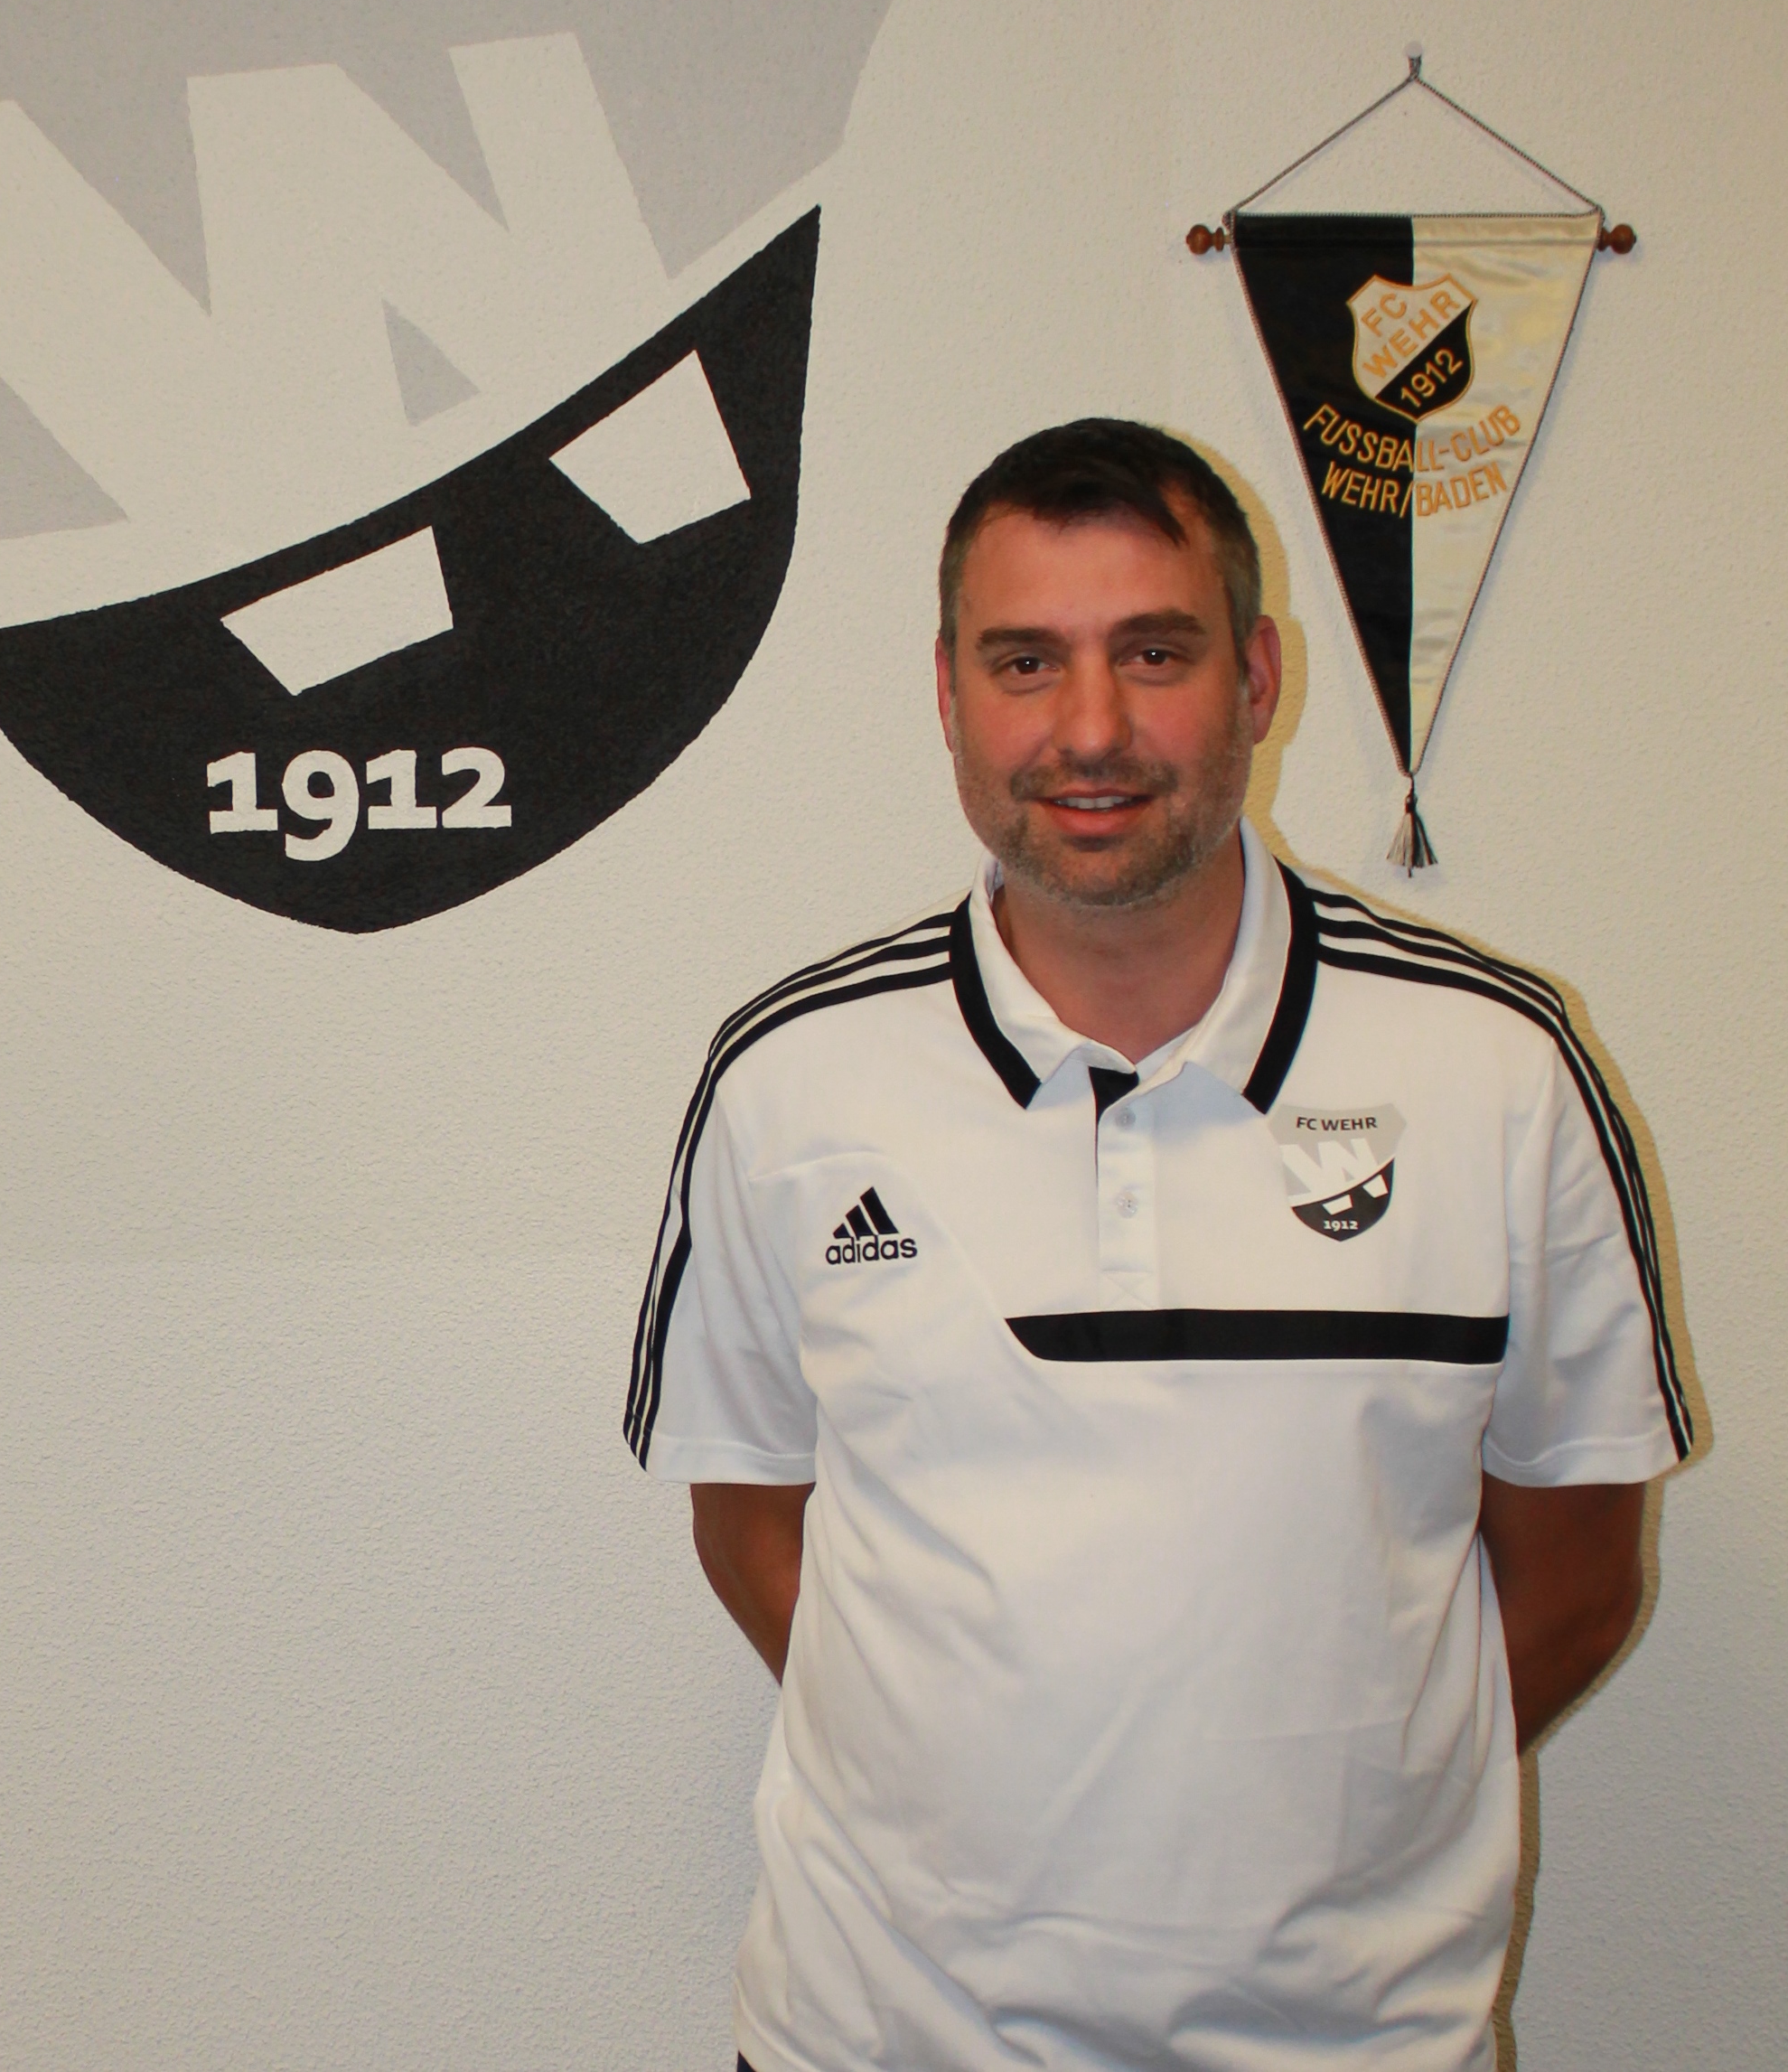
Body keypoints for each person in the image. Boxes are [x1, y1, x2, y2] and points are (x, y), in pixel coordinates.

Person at [623, 418, 1690, 2072]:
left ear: (1257, 677)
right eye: (1024, 661)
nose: (1090, 728)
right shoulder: (790, 1078)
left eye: (1154, 653)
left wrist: (1321, 1827)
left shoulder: (1495, 1067)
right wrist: (978, 1806)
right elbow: (752, 1520)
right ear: (948, 693)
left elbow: (1575, 1569)